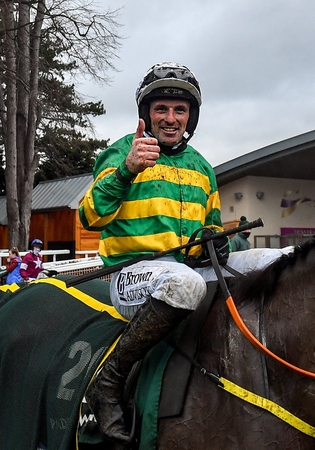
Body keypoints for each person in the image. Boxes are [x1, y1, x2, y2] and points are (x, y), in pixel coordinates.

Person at [78, 62, 287, 443]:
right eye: (161, 109)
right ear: (147, 114)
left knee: (279, 259)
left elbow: (211, 225)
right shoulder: (121, 153)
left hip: (188, 272)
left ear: (191, 115)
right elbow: (90, 217)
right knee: (185, 283)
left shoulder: (202, 168)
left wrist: (215, 240)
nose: (171, 119)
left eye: (180, 110)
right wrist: (126, 171)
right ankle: (109, 380)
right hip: (132, 277)